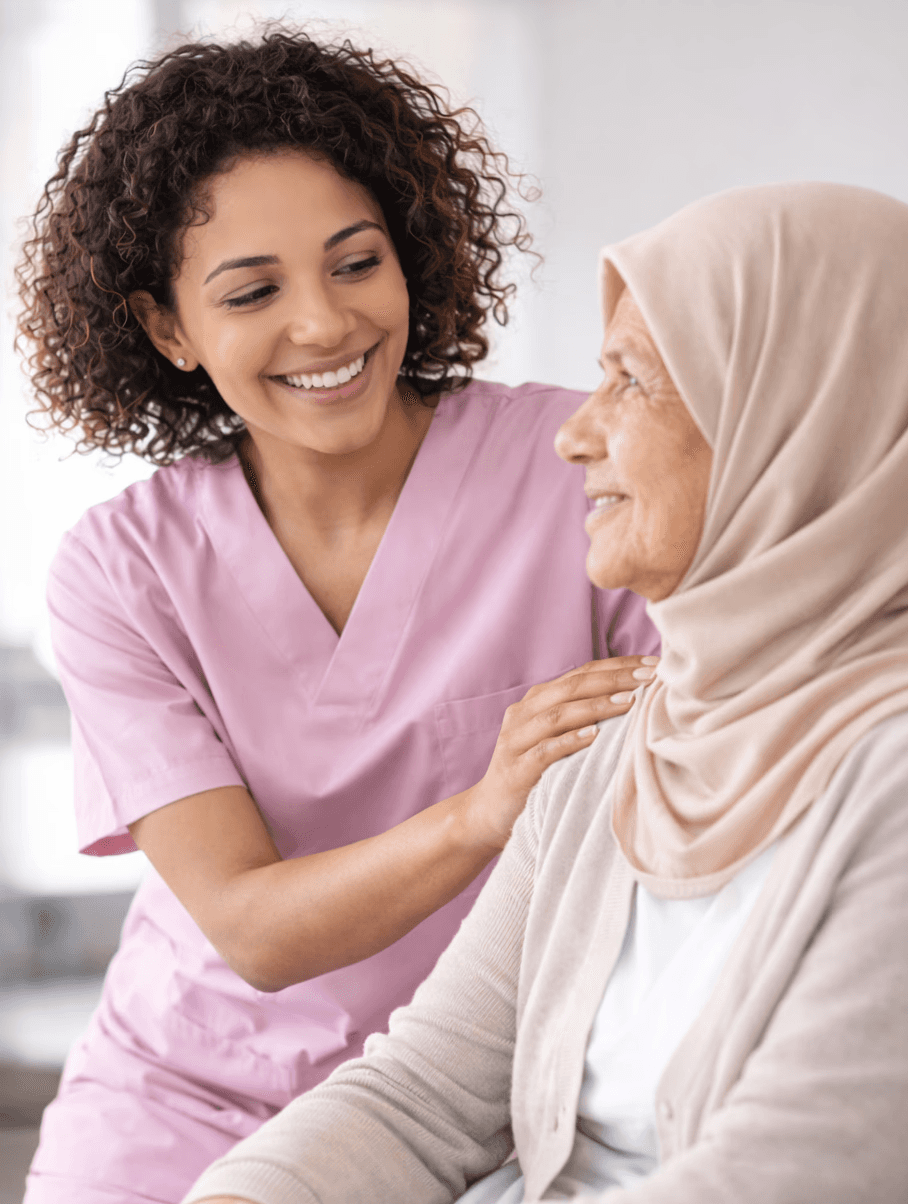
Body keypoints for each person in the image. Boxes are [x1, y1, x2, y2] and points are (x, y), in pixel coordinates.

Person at [182, 182, 908, 1204]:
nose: (574, 435)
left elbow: (783, 1179)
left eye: (631, 381)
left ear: (794, 419)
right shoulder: (619, 737)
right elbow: (421, 1095)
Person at [15, 30, 664, 1204]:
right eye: (252, 292)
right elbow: (253, 931)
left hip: (494, 1091)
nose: (324, 326)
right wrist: (488, 807)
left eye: (355, 264)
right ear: (168, 328)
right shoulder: (122, 571)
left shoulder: (586, 459)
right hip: (187, 1093)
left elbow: (773, 664)